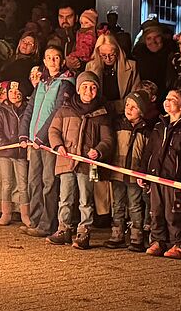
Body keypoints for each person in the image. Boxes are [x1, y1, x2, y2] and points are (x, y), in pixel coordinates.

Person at [47, 70, 113, 250]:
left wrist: (98, 151)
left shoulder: (101, 113)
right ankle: (63, 229)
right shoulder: (64, 110)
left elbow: (108, 140)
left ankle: (84, 232)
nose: (88, 91)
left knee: (86, 199)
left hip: (86, 164)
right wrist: (58, 146)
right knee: (65, 198)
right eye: (84, 87)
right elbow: (53, 131)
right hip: (66, 161)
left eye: (92, 88)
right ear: (78, 89)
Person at [20, 46, 75, 239]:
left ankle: (47, 224)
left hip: (48, 141)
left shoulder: (65, 83)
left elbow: (56, 112)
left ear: (61, 61)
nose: (52, 61)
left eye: (56, 58)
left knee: (48, 181)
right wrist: (23, 134)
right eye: (48, 58)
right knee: (34, 181)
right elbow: (30, 108)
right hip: (33, 141)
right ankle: (35, 220)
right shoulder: (41, 83)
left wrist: (41, 137)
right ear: (43, 61)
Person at [140, 88, 181, 257]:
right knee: (156, 211)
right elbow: (149, 152)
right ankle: (158, 241)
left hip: (174, 180)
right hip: (156, 177)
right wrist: (143, 172)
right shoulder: (158, 126)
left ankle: (178, 244)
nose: (167, 101)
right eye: (166, 98)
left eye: (173, 99)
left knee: (173, 214)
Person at [105, 90, 153, 250]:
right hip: (118, 172)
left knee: (135, 205)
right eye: (127, 105)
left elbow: (147, 153)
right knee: (117, 204)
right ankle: (117, 234)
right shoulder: (118, 125)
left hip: (134, 174)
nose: (129, 109)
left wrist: (143, 172)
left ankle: (136, 236)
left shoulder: (146, 130)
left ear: (142, 111)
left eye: (134, 106)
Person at [0, 81, 30, 227]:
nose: (14, 95)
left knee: (23, 184)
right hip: (5, 153)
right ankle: (5, 213)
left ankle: (25, 213)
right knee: (6, 183)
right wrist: (6, 145)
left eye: (17, 91)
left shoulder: (27, 110)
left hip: (21, 153)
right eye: (11, 92)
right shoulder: (1, 111)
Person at [85, 32, 139, 113]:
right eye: (103, 55)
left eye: (112, 54)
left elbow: (135, 94)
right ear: (98, 53)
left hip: (124, 111)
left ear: (118, 51)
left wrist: (116, 106)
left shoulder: (132, 66)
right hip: (99, 112)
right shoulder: (90, 67)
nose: (108, 58)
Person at [133, 24, 177, 94]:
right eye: (149, 38)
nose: (153, 41)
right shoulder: (137, 58)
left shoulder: (172, 57)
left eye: (157, 37)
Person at [0, 32, 38, 98]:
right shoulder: (11, 58)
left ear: (34, 49)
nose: (25, 45)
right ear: (20, 42)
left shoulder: (29, 64)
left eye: (29, 44)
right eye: (24, 41)